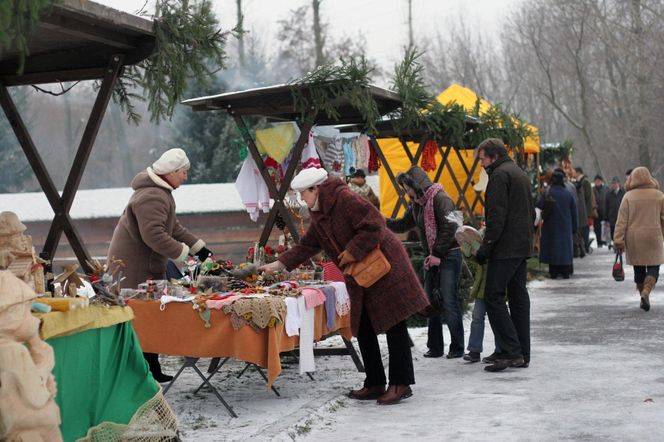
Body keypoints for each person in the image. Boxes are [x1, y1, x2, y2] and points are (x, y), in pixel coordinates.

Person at [259, 167, 429, 405]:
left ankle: (401, 383)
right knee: (364, 323)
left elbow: (375, 225)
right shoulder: (319, 212)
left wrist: (352, 251)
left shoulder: (345, 198)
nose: (301, 199)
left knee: (394, 322)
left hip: (385, 266)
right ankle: (374, 382)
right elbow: (307, 245)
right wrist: (277, 265)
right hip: (362, 272)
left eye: (302, 194)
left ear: (315, 189)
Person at [107, 148, 213, 382]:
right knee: (141, 318)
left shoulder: (160, 193)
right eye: (184, 173)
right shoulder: (152, 196)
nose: (186, 177)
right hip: (134, 268)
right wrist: (185, 255)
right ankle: (143, 372)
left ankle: (150, 369)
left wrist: (199, 249)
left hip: (143, 265)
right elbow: (154, 235)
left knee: (146, 318)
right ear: (172, 172)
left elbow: (173, 228)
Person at [386, 166, 464, 359]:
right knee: (430, 303)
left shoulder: (441, 199)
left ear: (417, 185)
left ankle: (457, 346)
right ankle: (435, 347)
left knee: (448, 300)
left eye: (407, 188)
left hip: (449, 255)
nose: (406, 192)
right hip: (433, 257)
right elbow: (404, 224)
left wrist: (437, 252)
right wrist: (382, 221)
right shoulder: (418, 204)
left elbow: (451, 226)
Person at [473, 138, 534, 372]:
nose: (481, 164)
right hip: (521, 245)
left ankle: (511, 351)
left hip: (506, 248)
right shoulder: (517, 172)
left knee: (493, 297)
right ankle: (520, 352)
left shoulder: (499, 176)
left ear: (494, 157)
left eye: (482, 158)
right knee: (518, 298)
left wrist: (485, 248)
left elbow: (496, 218)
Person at [613, 167, 664, 312]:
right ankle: (646, 291)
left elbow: (621, 221)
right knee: (654, 267)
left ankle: (642, 295)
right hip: (654, 236)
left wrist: (618, 240)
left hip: (634, 238)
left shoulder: (628, 197)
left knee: (639, 268)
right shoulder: (659, 196)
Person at [537, 169, 578, 279]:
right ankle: (565, 272)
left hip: (551, 227)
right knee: (564, 249)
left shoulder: (547, 192)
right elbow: (574, 212)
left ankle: (554, 272)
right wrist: (574, 227)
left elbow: (539, 206)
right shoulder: (569, 194)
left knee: (553, 249)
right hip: (566, 227)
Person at [573, 167, 593, 254]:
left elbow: (587, 195)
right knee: (583, 228)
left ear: (578, 172)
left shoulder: (585, 182)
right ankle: (584, 246)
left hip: (586, 210)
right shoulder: (582, 181)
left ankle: (586, 246)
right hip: (583, 209)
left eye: (574, 172)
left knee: (585, 229)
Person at [603, 176, 625, 245]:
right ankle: (615, 243)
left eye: (615, 183)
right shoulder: (608, 194)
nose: (614, 185)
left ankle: (621, 244)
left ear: (618, 184)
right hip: (612, 216)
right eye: (613, 183)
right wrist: (606, 218)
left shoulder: (623, 192)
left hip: (621, 216)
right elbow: (606, 206)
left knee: (621, 231)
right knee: (613, 232)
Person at [592, 175, 609, 247]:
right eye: (596, 181)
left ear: (601, 181)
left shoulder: (606, 188)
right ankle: (599, 242)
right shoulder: (592, 189)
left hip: (604, 210)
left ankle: (605, 241)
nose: (597, 182)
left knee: (605, 227)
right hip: (596, 211)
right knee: (597, 228)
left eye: (599, 181)